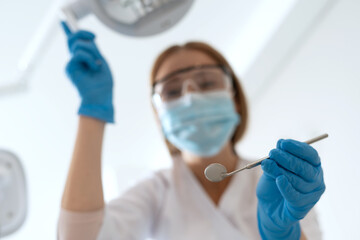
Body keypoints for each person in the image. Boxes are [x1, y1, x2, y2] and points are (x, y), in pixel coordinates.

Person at [58, 22, 326, 240]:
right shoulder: (155, 193)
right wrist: (93, 111)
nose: (190, 97)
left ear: (234, 98)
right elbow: (79, 236)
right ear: (160, 117)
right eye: (172, 91)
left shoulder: (279, 184)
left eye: (207, 82)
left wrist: (283, 234)